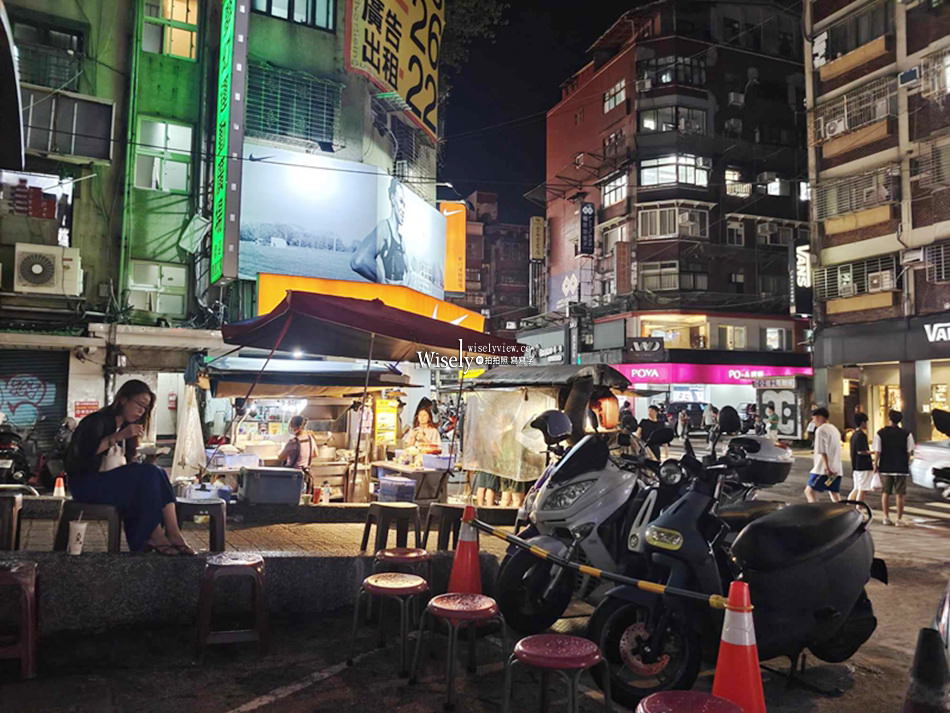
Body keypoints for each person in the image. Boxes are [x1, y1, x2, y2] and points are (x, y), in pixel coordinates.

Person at [64, 380, 196, 555]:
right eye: (139, 404)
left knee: (158, 473)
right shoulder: (96, 421)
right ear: (123, 399)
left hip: (111, 483)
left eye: (146, 408)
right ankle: (155, 536)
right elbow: (84, 453)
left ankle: (173, 533)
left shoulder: (128, 428)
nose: (141, 411)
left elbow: (127, 464)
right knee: (148, 474)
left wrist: (149, 458)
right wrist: (118, 436)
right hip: (86, 484)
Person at [349, 178, 408, 286]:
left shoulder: (401, 239)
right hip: (388, 296)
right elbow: (358, 262)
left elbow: (408, 272)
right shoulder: (384, 228)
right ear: (392, 198)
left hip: (400, 298)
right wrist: (382, 280)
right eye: (400, 202)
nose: (403, 209)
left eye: (405, 204)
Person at [873, 409, 915, 527]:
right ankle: (899, 519)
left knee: (885, 492)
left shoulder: (880, 433)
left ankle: (886, 517)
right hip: (901, 467)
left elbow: (878, 451)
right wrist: (905, 462)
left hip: (886, 466)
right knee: (900, 494)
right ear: (900, 420)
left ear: (889, 419)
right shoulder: (907, 434)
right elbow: (909, 451)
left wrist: (876, 464)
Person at [804, 407, 843, 503]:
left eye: (814, 418)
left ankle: (815, 512)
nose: (814, 421)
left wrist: (827, 468)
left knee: (809, 491)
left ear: (820, 417)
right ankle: (841, 512)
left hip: (822, 470)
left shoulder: (821, 430)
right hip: (836, 469)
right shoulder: (834, 429)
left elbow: (822, 450)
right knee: (834, 493)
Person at [847, 412, 880, 507]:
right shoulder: (861, 435)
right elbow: (861, 451)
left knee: (857, 488)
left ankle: (848, 507)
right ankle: (858, 510)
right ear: (862, 423)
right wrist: (874, 452)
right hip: (863, 466)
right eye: (866, 422)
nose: (866, 424)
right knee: (862, 490)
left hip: (856, 466)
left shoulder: (853, 435)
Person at [278, 415, 316, 489]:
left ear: (293, 426)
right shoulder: (310, 438)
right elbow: (315, 454)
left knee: (292, 499)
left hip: (293, 477)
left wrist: (279, 450)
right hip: (305, 476)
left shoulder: (293, 442)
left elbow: (281, 457)